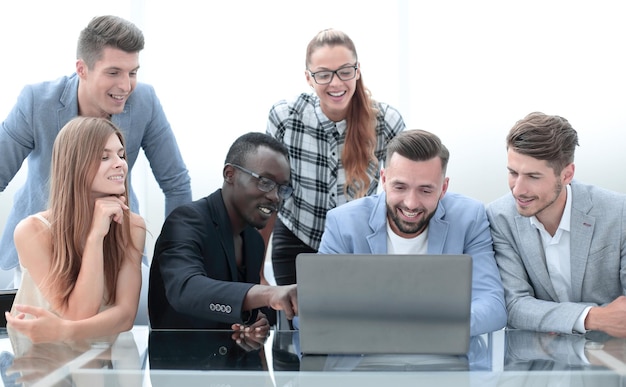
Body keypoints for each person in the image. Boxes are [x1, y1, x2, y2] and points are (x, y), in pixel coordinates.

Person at [0, 15, 191, 287]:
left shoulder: (145, 101)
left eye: (132, 72)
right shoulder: (36, 102)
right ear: (82, 69)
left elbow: (176, 184)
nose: (125, 86)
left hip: (113, 245)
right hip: (43, 248)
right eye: (113, 72)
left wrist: (177, 258)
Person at [318, 129, 507, 336]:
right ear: (383, 179)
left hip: (446, 354)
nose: (411, 203)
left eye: (425, 190)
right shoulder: (343, 223)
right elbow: (317, 309)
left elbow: (492, 305)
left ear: (443, 188)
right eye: (400, 187)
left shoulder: (470, 218)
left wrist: (433, 328)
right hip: (364, 357)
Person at [264, 28, 406, 286]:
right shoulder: (284, 117)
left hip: (358, 244)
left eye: (345, 71)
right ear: (308, 78)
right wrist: (257, 272)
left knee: (357, 324)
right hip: (297, 240)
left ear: (358, 70)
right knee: (298, 324)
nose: (336, 83)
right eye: (323, 74)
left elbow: (402, 194)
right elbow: (267, 195)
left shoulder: (387, 122)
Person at [4, 116, 146, 345]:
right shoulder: (32, 231)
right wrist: (95, 236)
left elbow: (125, 316)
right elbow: (80, 312)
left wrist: (65, 331)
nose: (120, 163)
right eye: (104, 157)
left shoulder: (132, 226)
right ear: (75, 165)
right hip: (39, 360)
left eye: (121, 155)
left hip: (97, 357)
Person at [486, 112, 626, 338]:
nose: (518, 189)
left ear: (567, 174)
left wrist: (546, 316)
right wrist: (593, 317)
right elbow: (514, 306)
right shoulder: (499, 217)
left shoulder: (619, 213)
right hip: (538, 361)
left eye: (533, 176)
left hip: (611, 359)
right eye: (513, 173)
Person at [148, 132, 298, 333]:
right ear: (230, 174)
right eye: (265, 181)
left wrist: (251, 326)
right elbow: (185, 290)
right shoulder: (186, 221)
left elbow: (237, 316)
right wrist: (269, 293)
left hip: (230, 363)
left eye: (282, 189)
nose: (275, 196)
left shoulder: (254, 241)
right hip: (180, 360)